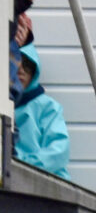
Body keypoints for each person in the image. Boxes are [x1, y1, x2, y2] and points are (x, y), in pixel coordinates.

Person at [10, 43, 65, 177]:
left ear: (35, 71)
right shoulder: (4, 105)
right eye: (16, 64)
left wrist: (22, 164)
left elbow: (59, 151)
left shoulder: (49, 107)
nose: (21, 70)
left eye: (27, 65)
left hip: (47, 182)